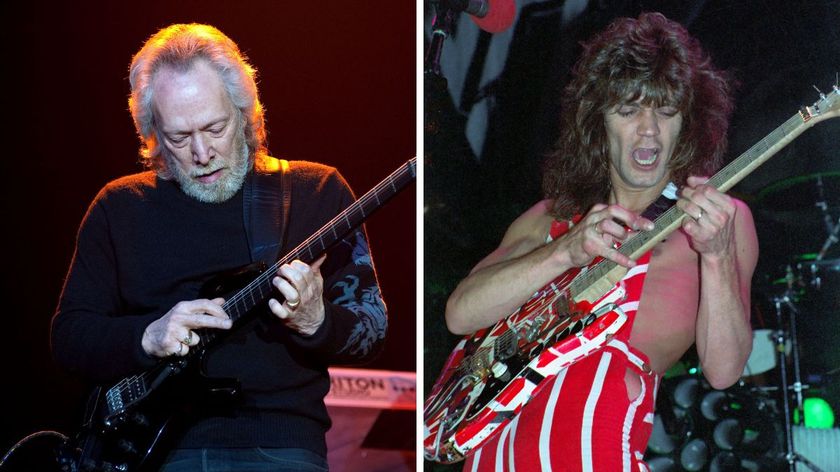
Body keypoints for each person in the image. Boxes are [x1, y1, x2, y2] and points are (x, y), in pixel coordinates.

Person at [50, 23, 387, 471]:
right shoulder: (118, 206)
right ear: (152, 133)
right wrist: (148, 336)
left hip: (277, 444)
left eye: (215, 127)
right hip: (147, 452)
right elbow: (69, 338)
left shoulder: (315, 192)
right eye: (179, 138)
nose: (202, 152)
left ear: (245, 114)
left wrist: (316, 319)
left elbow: (373, 328)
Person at [443, 12, 757, 470]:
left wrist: (717, 256)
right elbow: (459, 313)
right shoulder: (549, 219)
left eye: (665, 111)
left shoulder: (721, 223)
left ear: (686, 122)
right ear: (599, 123)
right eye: (628, 110)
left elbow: (724, 370)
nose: (648, 129)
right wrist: (565, 251)